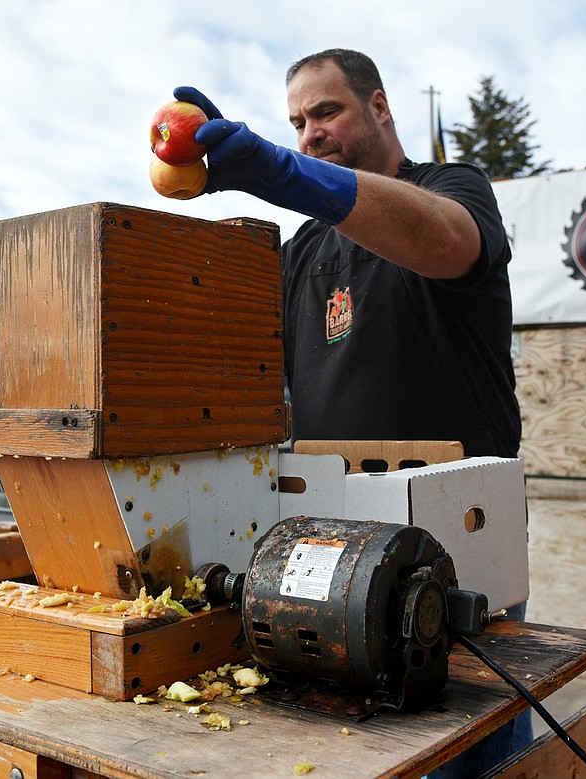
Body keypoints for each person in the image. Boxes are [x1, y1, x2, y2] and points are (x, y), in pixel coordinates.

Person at [172, 47, 529, 776]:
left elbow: (443, 238)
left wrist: (286, 176)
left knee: (472, 751)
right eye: (297, 123)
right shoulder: (302, 252)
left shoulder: (450, 188)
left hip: (458, 535)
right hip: (333, 549)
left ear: (379, 105)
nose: (309, 133)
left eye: (326, 110)